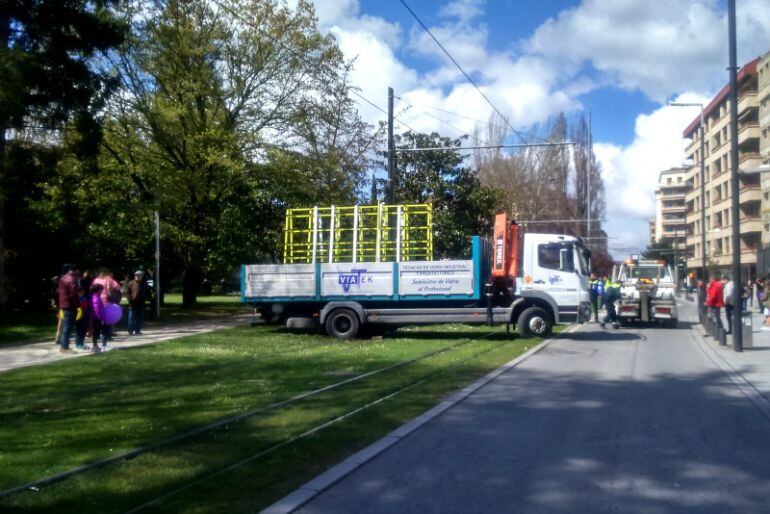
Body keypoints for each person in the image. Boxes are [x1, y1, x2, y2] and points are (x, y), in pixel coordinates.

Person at [57, 264, 79, 352]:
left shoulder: (62, 278)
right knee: (68, 327)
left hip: (63, 304)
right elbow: (73, 292)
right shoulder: (72, 278)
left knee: (66, 326)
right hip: (70, 305)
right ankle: (64, 347)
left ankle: (64, 345)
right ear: (75, 270)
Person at [127, 270, 149, 335]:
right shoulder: (131, 283)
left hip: (141, 304)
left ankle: (137, 330)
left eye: (139, 275)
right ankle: (130, 331)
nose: (137, 276)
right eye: (136, 275)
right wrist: (130, 299)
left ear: (142, 276)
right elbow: (128, 293)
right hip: (132, 304)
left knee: (139, 318)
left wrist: (147, 298)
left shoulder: (144, 284)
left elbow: (147, 293)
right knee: (131, 318)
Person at [89, 283, 108, 352]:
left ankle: (95, 346)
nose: (102, 291)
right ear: (99, 290)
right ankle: (103, 346)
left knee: (96, 332)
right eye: (101, 290)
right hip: (97, 318)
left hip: (95, 318)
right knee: (104, 331)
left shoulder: (94, 296)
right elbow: (96, 309)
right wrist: (100, 318)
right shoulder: (96, 297)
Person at [75, 285, 91, 351]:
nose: (82, 293)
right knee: (79, 331)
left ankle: (81, 343)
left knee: (83, 330)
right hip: (79, 316)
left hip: (84, 315)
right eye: (81, 292)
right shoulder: (76, 299)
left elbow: (86, 307)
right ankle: (78, 344)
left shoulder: (84, 298)